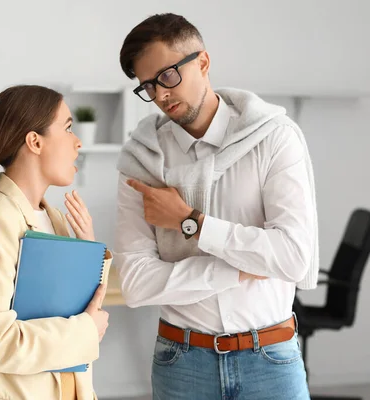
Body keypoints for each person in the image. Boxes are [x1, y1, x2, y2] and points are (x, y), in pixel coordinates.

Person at [114, 13, 319, 399]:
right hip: (182, 363)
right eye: (147, 86)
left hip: (271, 359)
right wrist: (240, 269)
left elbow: (293, 257)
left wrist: (191, 222)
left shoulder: (274, 138)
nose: (160, 95)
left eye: (167, 76)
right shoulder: (141, 160)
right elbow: (137, 285)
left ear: (203, 63)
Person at [0, 85, 112, 400]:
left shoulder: (55, 218)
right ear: (34, 141)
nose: (78, 141)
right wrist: (87, 330)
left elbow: (78, 312)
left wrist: (88, 248)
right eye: (68, 128)